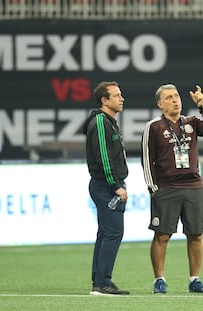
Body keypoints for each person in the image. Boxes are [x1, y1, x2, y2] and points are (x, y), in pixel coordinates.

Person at [141, 84, 203, 294]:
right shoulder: (154, 126)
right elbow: (147, 159)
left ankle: (195, 279)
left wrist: (202, 105)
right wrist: (152, 187)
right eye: (169, 97)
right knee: (162, 235)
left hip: (193, 186)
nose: (175, 100)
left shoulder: (192, 122)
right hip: (167, 187)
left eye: (176, 96)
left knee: (196, 234)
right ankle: (159, 279)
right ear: (160, 104)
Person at [82, 81, 130, 296]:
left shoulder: (108, 121)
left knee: (105, 234)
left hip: (105, 184)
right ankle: (102, 283)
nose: (121, 98)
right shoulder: (101, 121)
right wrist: (116, 185)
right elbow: (103, 156)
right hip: (106, 185)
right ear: (104, 100)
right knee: (113, 233)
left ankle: (99, 281)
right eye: (116, 95)